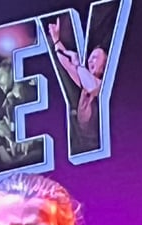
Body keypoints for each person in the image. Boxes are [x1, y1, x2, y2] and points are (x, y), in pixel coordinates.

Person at [48, 16, 107, 152]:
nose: (90, 60)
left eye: (95, 58)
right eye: (91, 57)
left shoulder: (102, 85)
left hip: (96, 143)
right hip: (82, 139)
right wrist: (56, 40)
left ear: (104, 67)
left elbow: (92, 86)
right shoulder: (85, 80)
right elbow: (67, 64)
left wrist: (77, 64)